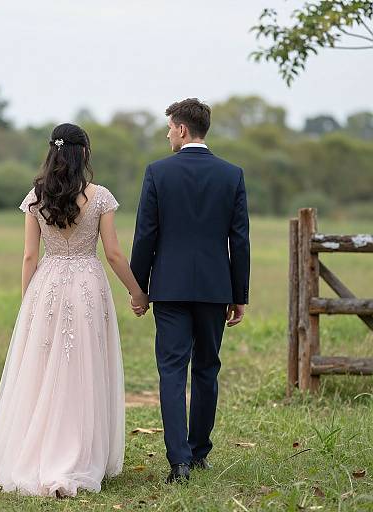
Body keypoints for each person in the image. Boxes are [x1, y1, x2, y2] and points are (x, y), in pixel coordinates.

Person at [0, 123, 148, 498]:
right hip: (88, 285)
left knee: (43, 368)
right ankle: (78, 454)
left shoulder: (36, 196)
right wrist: (138, 292)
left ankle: (38, 452)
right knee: (85, 366)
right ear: (84, 153)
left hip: (48, 286)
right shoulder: (100, 196)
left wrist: (28, 304)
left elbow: (28, 255)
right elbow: (114, 254)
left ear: (53, 153)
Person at [129, 98, 250, 484]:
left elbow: (146, 234)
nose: (167, 133)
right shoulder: (232, 175)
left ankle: (178, 462)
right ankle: (199, 454)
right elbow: (240, 240)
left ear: (182, 129)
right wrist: (240, 294)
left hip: (169, 288)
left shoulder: (158, 173)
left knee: (171, 371)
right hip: (216, 288)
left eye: (169, 127)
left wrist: (138, 288)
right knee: (207, 369)